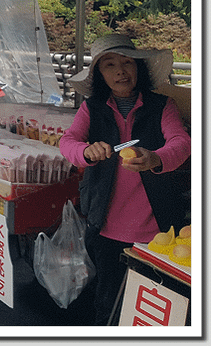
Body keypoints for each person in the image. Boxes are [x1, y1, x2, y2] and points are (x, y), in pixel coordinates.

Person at [59, 34, 190, 325]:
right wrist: (86, 151)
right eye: (110, 64)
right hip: (107, 227)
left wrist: (156, 158)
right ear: (100, 75)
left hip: (159, 231)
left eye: (127, 62)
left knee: (156, 307)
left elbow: (181, 142)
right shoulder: (91, 108)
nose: (120, 70)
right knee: (108, 304)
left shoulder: (162, 106)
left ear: (138, 68)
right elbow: (68, 142)